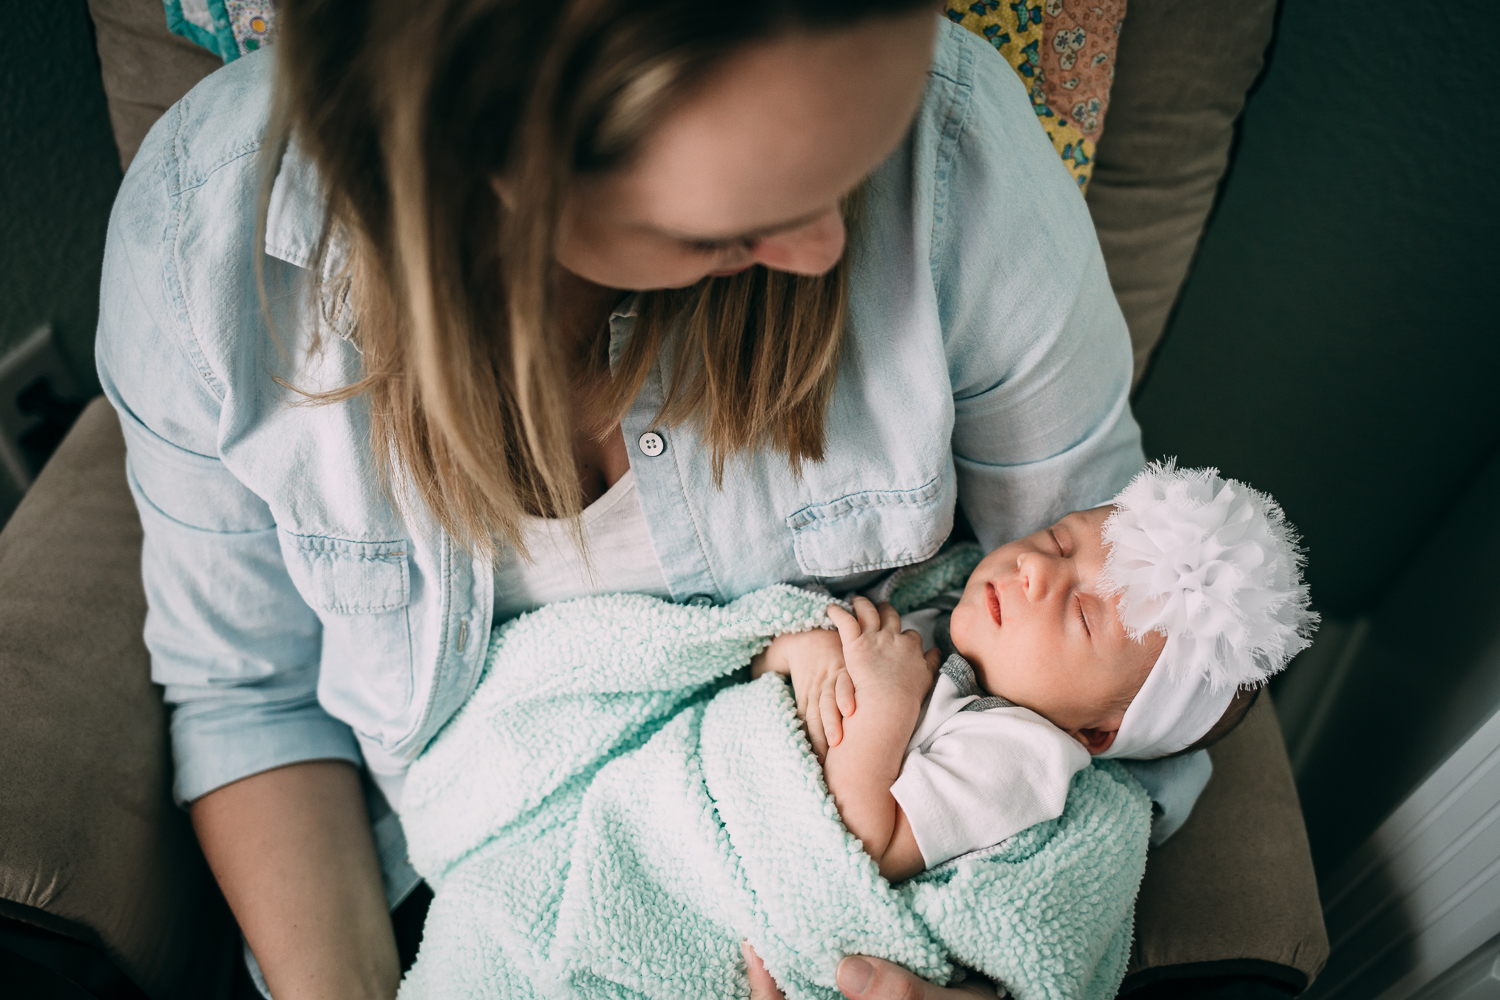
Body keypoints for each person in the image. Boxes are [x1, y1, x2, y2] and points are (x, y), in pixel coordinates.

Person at [95, 1, 1150, 997]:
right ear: (506, 155)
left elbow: (1133, 657)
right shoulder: (205, 244)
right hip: (470, 894)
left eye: (852, 168)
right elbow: (257, 703)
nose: (831, 248)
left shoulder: (955, 146)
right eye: (740, 221)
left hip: (818, 903)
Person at [753, 463, 1316, 883]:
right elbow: (748, 658)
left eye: (1082, 614)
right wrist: (806, 651)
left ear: (1093, 733)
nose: (1036, 568)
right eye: (1059, 541)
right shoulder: (943, 600)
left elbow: (868, 848)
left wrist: (885, 707)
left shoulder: (1017, 756)